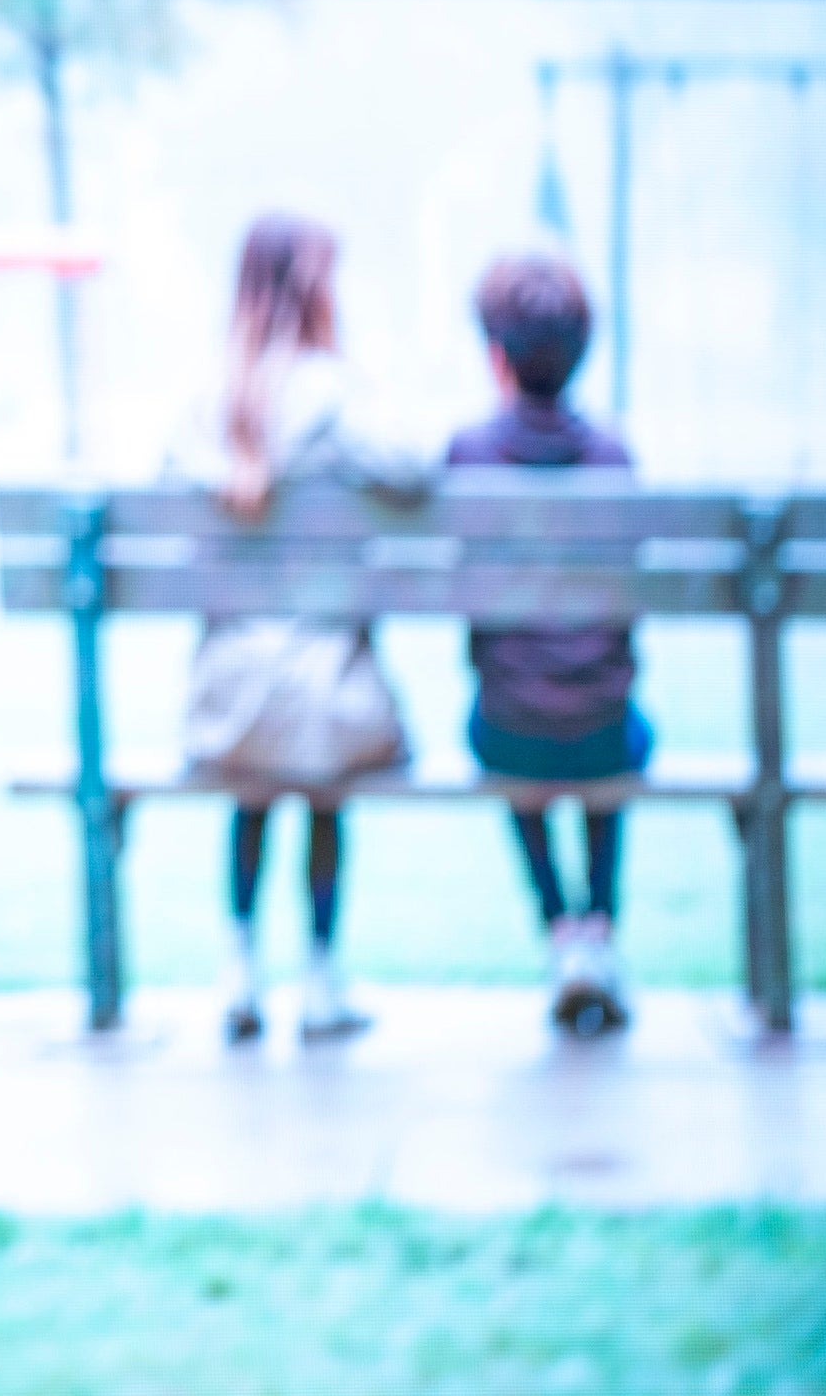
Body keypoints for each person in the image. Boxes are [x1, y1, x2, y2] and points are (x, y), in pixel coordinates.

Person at [175, 214, 430, 1044]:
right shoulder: (335, 390)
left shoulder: (206, 392)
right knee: (320, 775)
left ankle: (237, 968)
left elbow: (168, 477)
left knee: (256, 784)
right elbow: (413, 468)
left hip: (229, 699)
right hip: (328, 693)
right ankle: (321, 976)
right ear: (313, 289)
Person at [448, 252, 645, 1035]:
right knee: (606, 721)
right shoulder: (612, 455)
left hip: (507, 732)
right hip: (603, 729)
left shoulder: (467, 453)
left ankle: (560, 927)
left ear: (495, 354)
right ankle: (594, 927)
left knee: (515, 717)